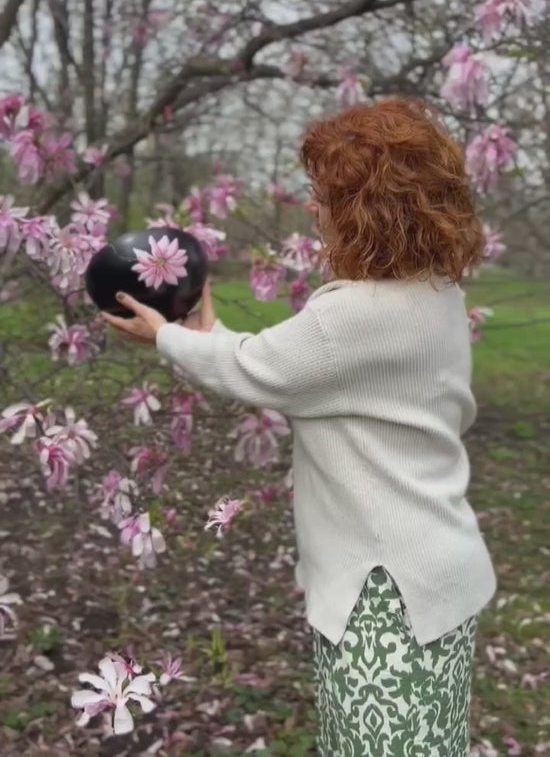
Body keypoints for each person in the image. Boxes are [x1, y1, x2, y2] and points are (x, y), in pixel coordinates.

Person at [103, 96, 497, 757]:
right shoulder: (438, 296)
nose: (313, 209)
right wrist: (206, 334)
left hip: (386, 596)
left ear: (370, 209)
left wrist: (165, 336)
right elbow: (282, 366)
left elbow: (254, 370)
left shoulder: (356, 315)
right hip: (441, 578)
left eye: (328, 196)